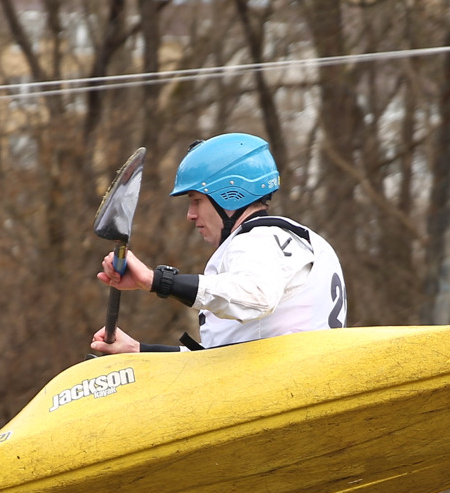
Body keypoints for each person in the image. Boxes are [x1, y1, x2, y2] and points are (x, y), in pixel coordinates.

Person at [89, 132, 346, 355]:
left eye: (196, 200)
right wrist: (139, 351)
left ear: (228, 196)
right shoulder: (295, 239)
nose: (191, 214)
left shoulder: (257, 239)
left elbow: (257, 296)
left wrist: (155, 280)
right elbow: (222, 361)